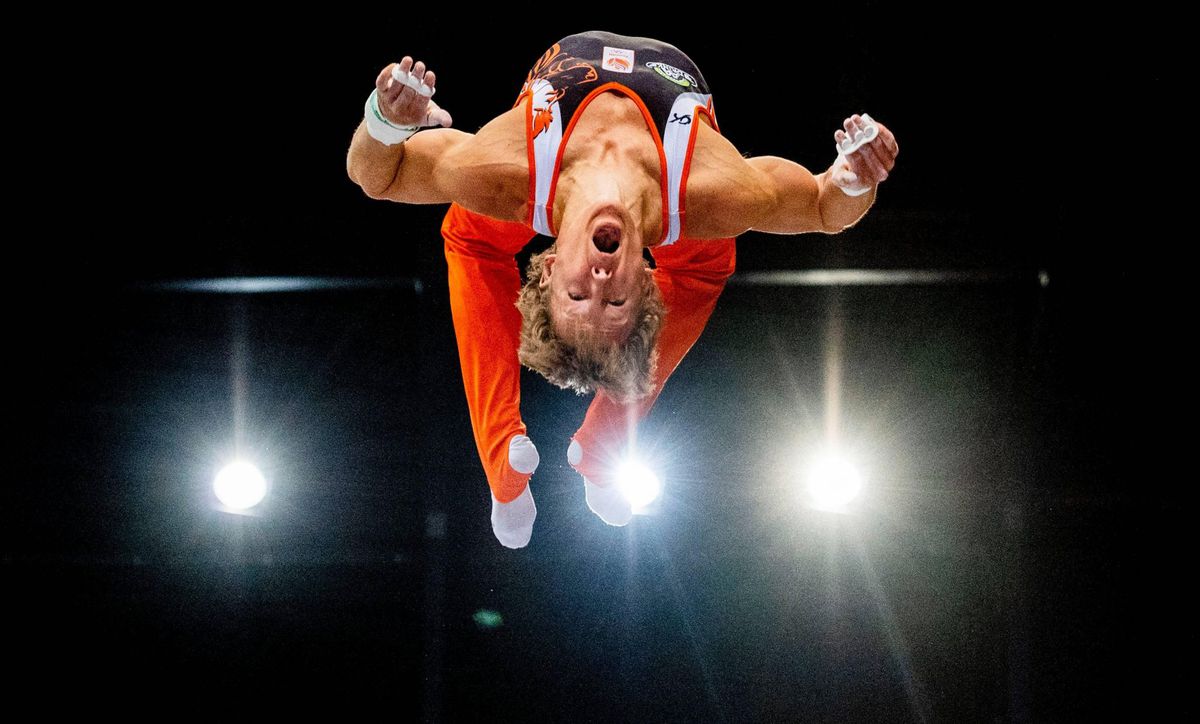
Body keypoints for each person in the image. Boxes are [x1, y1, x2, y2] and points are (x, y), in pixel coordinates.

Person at [346, 30, 898, 548]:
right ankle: (600, 446)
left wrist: (388, 121)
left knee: (468, 236)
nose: (600, 279)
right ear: (646, 283)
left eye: (577, 295)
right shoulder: (716, 191)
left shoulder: (503, 170)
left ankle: (504, 467)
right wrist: (857, 177)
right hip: (678, 205)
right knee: (710, 259)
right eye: (615, 301)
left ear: (549, 265)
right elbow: (827, 206)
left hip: (539, 177)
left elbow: (377, 176)